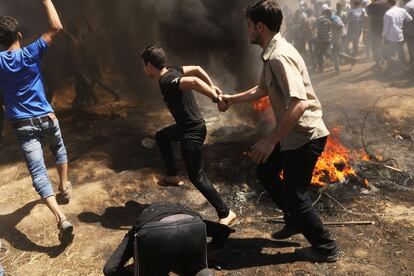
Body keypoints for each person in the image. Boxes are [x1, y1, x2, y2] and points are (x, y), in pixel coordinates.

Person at [221, 0, 338, 262]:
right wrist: (230, 98)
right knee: (266, 170)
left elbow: (299, 103)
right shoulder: (272, 53)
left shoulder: (279, 56)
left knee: (296, 194)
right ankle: (295, 220)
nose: (247, 30)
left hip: (305, 136)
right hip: (293, 134)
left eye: (249, 26)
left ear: (260, 26)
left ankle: (325, 247)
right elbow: (260, 90)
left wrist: (270, 140)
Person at [0, 0, 73, 242]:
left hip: (22, 125)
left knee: (38, 172)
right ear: (19, 35)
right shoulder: (31, 52)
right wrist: (46, 1)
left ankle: (61, 217)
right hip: (47, 116)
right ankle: (64, 187)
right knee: (59, 148)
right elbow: (56, 28)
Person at [140, 46, 236, 225]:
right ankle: (172, 176)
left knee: (196, 176)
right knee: (161, 136)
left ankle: (225, 213)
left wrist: (215, 97)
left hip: (192, 131)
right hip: (185, 127)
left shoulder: (167, 80)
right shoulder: (173, 70)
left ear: (150, 66)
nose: (143, 69)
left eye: (143, 65)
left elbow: (192, 80)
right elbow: (198, 69)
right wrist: (212, 85)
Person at [103, 202, 232, 276]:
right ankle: (202, 272)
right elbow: (224, 231)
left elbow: (111, 269)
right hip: (193, 226)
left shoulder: (140, 225)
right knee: (198, 272)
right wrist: (208, 255)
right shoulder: (191, 217)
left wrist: (135, 269)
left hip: (154, 233)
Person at [382, 0, 413, 74]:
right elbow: (410, 19)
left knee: (387, 54)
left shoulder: (387, 13)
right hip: (400, 35)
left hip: (390, 37)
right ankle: (403, 69)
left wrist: (383, 38)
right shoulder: (402, 10)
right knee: (400, 52)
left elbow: (386, 28)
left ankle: (396, 67)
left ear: (389, 3)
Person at [366, 0, 392, 70]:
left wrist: (368, 30)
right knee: (387, 45)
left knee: (375, 46)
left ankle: (378, 64)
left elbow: (370, 19)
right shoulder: (387, 3)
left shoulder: (372, 5)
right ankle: (389, 64)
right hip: (388, 28)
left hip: (376, 30)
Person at [314, 6, 333, 72]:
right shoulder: (329, 19)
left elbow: (315, 27)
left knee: (319, 53)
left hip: (322, 39)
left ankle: (321, 68)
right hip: (328, 39)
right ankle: (334, 59)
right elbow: (331, 27)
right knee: (325, 52)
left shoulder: (319, 19)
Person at [403, 0, 414, 65]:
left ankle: (412, 60)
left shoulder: (407, 6)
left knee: (410, 46)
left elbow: (404, 19)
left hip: (410, 30)